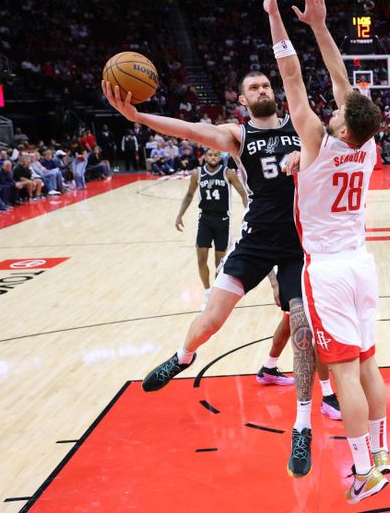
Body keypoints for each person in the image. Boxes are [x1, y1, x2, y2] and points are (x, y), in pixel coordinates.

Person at [102, 67, 318, 478]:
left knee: (303, 330)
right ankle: (182, 357)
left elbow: (328, 146)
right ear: (242, 100)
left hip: (296, 244)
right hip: (254, 241)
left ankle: (302, 426)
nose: (262, 90)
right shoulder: (236, 136)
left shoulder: (299, 123)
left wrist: (305, 155)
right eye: (253, 87)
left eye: (266, 85)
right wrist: (141, 118)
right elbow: (188, 129)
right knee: (213, 319)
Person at [265, 0, 388, 503]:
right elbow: (342, 82)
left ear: (340, 127)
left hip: (328, 270)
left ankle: (364, 471)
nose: (334, 108)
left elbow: (292, 77)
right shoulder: (367, 144)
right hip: (361, 263)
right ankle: (381, 456)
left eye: (337, 111)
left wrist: (275, 16)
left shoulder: (315, 138)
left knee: (341, 373)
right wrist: (319, 24)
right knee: (369, 365)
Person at [175, 148, 248, 310]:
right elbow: (188, 195)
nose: (213, 157)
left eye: (216, 155)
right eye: (210, 155)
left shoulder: (227, 173)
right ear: (205, 157)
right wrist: (180, 215)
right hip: (205, 220)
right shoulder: (197, 174)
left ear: (220, 157)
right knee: (201, 259)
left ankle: (216, 295)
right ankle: (207, 292)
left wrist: (247, 212)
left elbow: (244, 193)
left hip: (223, 221)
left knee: (219, 264)